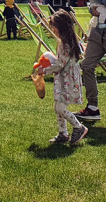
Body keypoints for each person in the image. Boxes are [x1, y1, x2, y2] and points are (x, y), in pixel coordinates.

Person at [33, 10, 88, 145]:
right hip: (65, 78)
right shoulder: (68, 41)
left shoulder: (66, 44)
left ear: (61, 27)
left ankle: (79, 127)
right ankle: (63, 133)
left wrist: (44, 71)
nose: (52, 29)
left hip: (67, 80)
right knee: (57, 105)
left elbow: (60, 65)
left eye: (54, 26)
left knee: (60, 108)